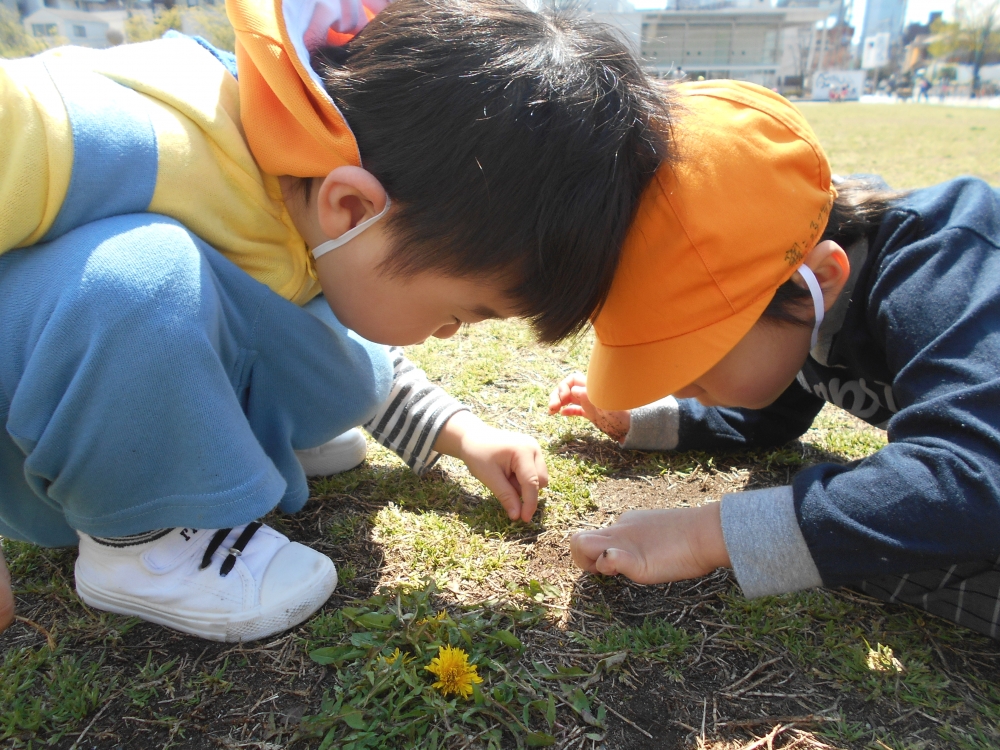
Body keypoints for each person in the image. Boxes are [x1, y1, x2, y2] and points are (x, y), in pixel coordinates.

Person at [0, 0, 666, 641]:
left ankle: (221, 442)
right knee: (144, 278)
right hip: (32, 447)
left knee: (342, 348)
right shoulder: (113, 128)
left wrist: (457, 433)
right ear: (353, 208)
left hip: (118, 382)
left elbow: (346, 329)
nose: (447, 334)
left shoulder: (314, 177)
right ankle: (141, 546)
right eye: (457, 314)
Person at [549, 79, 1000, 639]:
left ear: (820, 279)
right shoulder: (799, 303)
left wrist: (704, 535)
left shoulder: (944, 269)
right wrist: (646, 417)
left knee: (897, 537)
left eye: (698, 350)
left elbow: (973, 475)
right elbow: (769, 416)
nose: (678, 378)